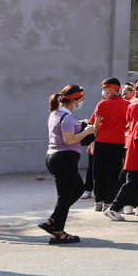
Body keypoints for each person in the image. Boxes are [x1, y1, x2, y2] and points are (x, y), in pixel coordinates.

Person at [39, 85, 97, 244]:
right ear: (74, 100)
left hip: (57, 157)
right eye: (81, 100)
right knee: (64, 196)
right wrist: (88, 131)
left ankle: (52, 221)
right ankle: (58, 233)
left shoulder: (56, 113)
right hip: (63, 159)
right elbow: (69, 139)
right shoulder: (66, 117)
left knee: (78, 189)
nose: (81, 102)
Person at [89, 77, 127, 213]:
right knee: (113, 173)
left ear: (111, 89)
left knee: (99, 172)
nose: (104, 92)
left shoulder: (102, 104)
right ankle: (108, 201)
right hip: (119, 143)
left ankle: (98, 201)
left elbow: (96, 124)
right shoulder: (127, 104)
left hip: (102, 142)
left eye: (105, 89)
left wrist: (94, 139)